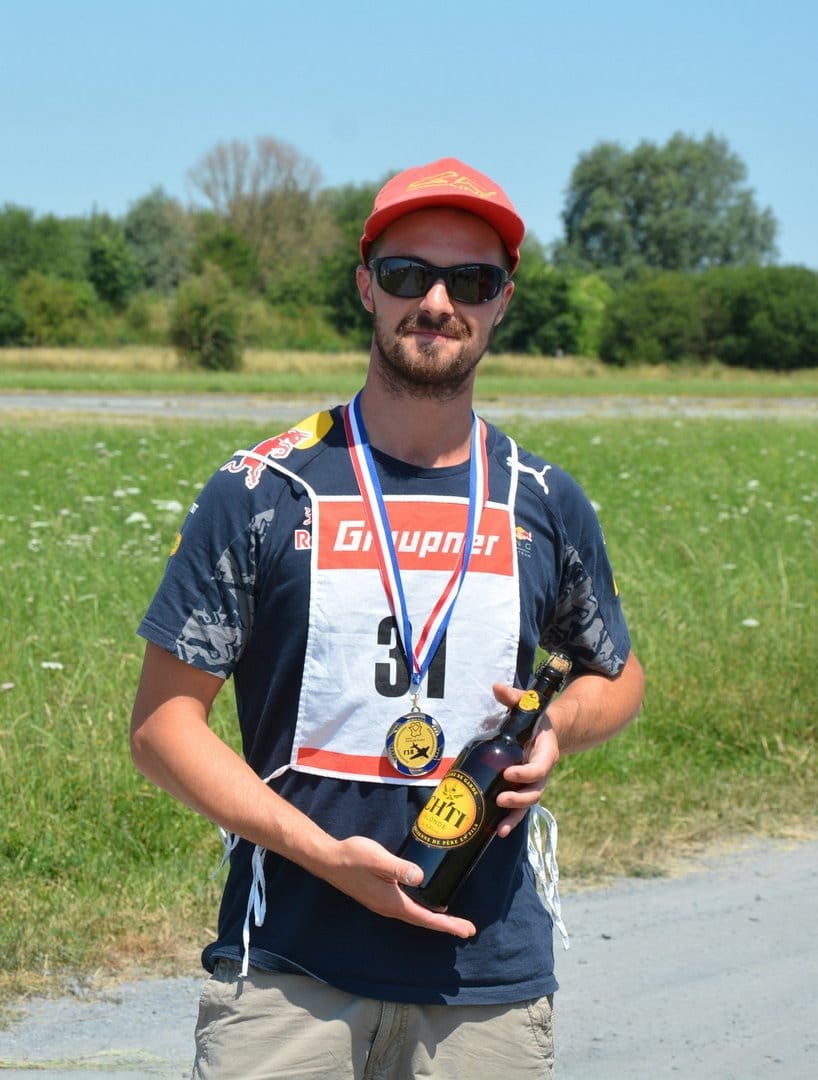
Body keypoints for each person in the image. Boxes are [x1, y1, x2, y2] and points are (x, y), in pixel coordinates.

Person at [130, 156, 644, 1079]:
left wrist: (556, 730)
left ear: (502, 302)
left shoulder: (540, 499)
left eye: (470, 281)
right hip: (287, 969)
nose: (436, 302)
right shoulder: (262, 489)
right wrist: (327, 857)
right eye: (409, 274)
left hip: (485, 983)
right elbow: (163, 729)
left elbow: (619, 675)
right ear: (367, 287)